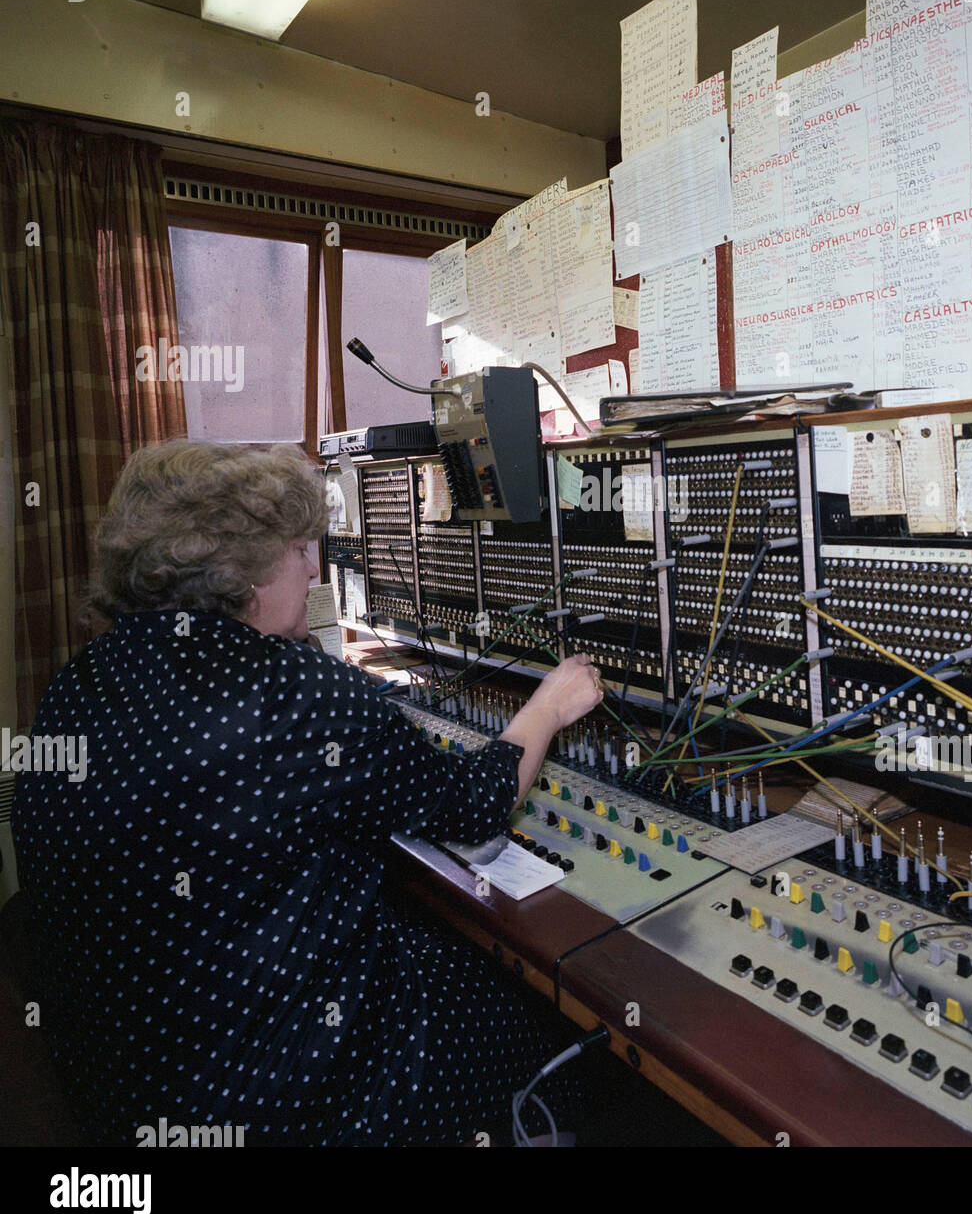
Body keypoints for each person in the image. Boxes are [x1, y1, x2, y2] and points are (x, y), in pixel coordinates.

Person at [12, 440, 604, 1145]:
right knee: (534, 1005)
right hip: (282, 1100)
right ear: (245, 573)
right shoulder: (294, 692)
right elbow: (471, 809)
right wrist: (547, 707)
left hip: (124, 1078)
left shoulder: (85, 677)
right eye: (301, 549)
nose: (315, 567)